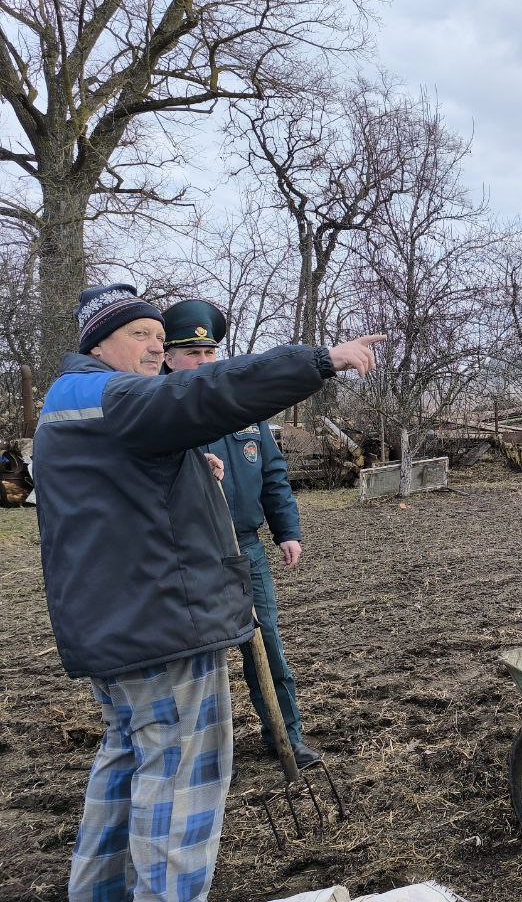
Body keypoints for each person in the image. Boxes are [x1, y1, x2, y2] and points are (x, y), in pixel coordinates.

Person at [35, 283, 381, 902]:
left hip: (117, 629)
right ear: (98, 342)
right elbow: (204, 392)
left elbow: (123, 497)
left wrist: (191, 471)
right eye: (140, 335)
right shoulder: (114, 396)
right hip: (161, 631)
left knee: (123, 771)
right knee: (179, 785)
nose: (153, 347)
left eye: (157, 337)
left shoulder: (70, 401)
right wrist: (319, 360)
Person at [162, 299, 321, 768]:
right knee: (196, 660)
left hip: (245, 547)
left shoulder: (240, 407)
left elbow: (272, 474)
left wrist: (287, 531)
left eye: (210, 354)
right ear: (169, 358)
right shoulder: (162, 411)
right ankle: (198, 755)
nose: (204, 363)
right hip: (189, 554)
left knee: (266, 644)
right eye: (193, 354)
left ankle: (285, 736)